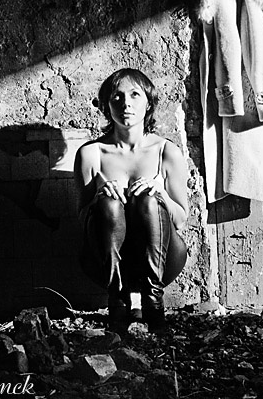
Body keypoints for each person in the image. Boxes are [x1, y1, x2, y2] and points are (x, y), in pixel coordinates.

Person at [75, 68, 189, 332]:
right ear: (106, 105)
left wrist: (160, 194)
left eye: (135, 95)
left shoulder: (166, 151)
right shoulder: (91, 154)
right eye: (117, 96)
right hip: (107, 263)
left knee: (148, 200)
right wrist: (99, 197)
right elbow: (82, 220)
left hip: (162, 261)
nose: (125, 103)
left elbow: (181, 220)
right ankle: (118, 302)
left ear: (148, 103)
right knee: (109, 203)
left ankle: (153, 305)